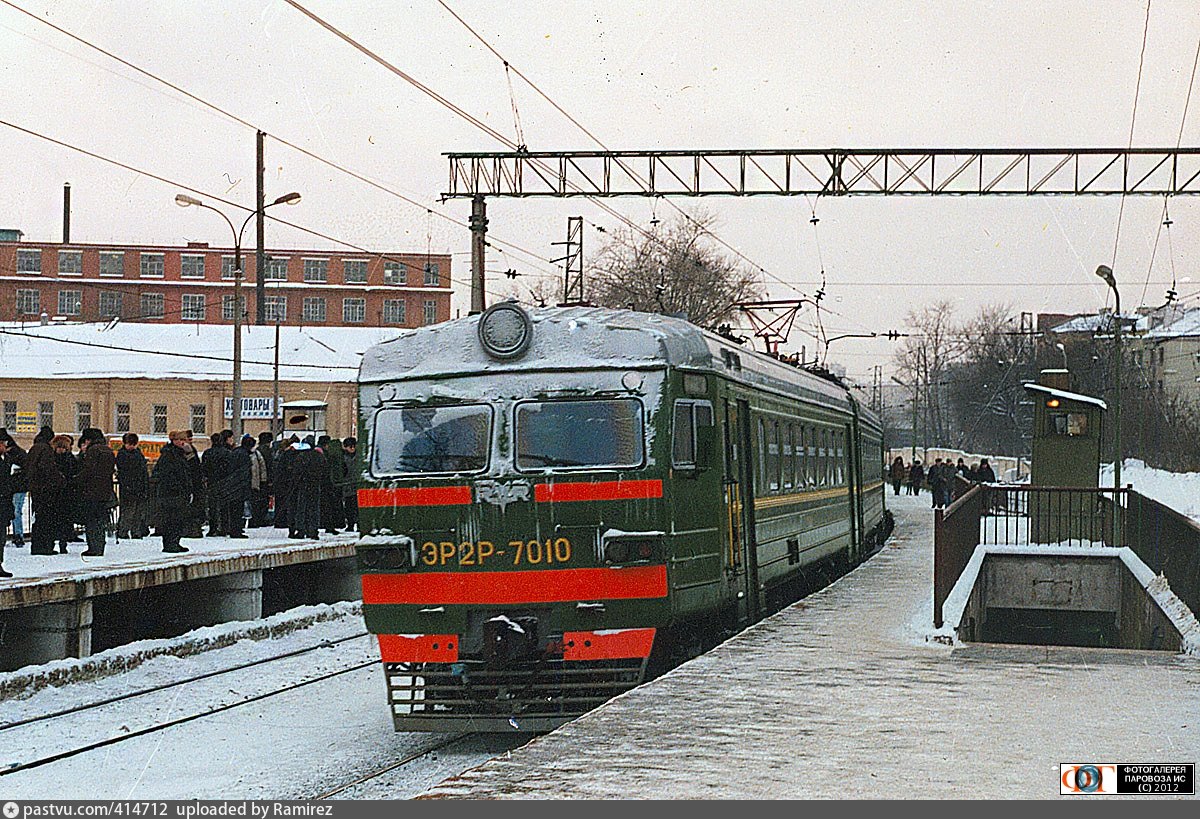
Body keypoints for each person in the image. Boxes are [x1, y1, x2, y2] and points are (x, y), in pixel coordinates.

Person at [153, 430, 194, 553]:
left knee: (178, 519)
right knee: (171, 519)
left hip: (178, 493)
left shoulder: (180, 454)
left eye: (183, 440)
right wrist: (178, 487)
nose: (182, 442)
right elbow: (167, 474)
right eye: (179, 440)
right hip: (171, 493)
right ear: (174, 441)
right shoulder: (169, 455)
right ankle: (170, 543)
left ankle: (175, 541)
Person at [26, 427, 65, 556]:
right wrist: (60, 479)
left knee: (39, 518)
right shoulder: (46, 449)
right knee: (47, 519)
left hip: (36, 489)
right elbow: (47, 469)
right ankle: (45, 547)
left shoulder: (34, 448)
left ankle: (36, 546)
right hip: (46, 489)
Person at [77, 428, 116, 556]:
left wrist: (76, 480)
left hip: (92, 491)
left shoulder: (93, 451)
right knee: (100, 520)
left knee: (92, 521)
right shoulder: (107, 450)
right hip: (105, 490)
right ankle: (100, 546)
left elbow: (88, 470)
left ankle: (94, 547)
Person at [116, 433, 151, 539]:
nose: (131, 446)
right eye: (129, 444)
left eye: (133, 444)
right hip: (129, 488)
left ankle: (136, 531)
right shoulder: (124, 455)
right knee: (128, 511)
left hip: (138, 487)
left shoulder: (137, 454)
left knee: (137, 512)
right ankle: (123, 531)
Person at [288, 436, 324, 540]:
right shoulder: (319, 456)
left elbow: (296, 472)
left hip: (303, 485)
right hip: (315, 485)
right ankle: (313, 531)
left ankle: (301, 530)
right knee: (314, 508)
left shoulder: (301, 456)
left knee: (302, 508)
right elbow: (325, 471)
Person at [52, 434, 80, 553]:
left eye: (63, 447)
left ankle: (63, 544)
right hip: (63, 493)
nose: (61, 450)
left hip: (63, 494)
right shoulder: (69, 459)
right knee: (60, 520)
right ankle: (60, 543)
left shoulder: (59, 459)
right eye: (59, 447)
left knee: (62, 520)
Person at [223, 432, 251, 538]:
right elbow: (244, 472)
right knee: (237, 509)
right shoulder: (243, 455)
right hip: (238, 486)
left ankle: (235, 529)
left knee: (234, 509)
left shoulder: (235, 452)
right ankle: (236, 530)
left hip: (232, 485)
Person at [183, 431, 206, 538]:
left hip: (195, 482)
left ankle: (193, 528)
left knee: (195, 506)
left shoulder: (192, 449)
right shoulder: (187, 451)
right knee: (192, 507)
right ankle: (191, 529)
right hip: (192, 483)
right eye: (189, 438)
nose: (190, 441)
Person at [319, 435, 344, 535]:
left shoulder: (323, 454)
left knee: (326, 506)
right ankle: (331, 525)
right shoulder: (335, 455)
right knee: (333, 506)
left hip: (325, 484)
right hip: (334, 484)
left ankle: (326, 524)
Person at [0, 438, 15, 576]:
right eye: (3, 443)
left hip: (4, 502)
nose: (6, 446)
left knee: (1, 536)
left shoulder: (7, 459)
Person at [248, 434, 271, 528]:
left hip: (255, 481)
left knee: (255, 502)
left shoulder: (257, 452)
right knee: (260, 502)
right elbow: (266, 467)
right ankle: (259, 520)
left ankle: (255, 520)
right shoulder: (263, 452)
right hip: (259, 481)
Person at [341, 437, 359, 531]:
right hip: (348, 486)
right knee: (350, 507)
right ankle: (351, 524)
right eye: (350, 446)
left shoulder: (344, 457)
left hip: (352, 485)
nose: (352, 448)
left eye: (353, 446)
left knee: (354, 507)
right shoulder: (343, 457)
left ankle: (355, 524)